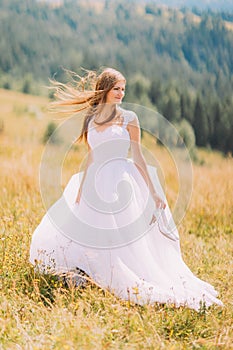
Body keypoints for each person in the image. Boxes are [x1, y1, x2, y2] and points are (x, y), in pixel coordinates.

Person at [30, 67, 223, 311]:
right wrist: (81, 189)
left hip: (121, 181)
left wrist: (154, 191)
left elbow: (139, 157)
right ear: (105, 89)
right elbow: (91, 156)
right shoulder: (91, 118)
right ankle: (87, 275)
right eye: (116, 89)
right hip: (94, 183)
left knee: (122, 239)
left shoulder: (130, 118)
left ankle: (121, 276)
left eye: (123, 89)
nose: (121, 93)